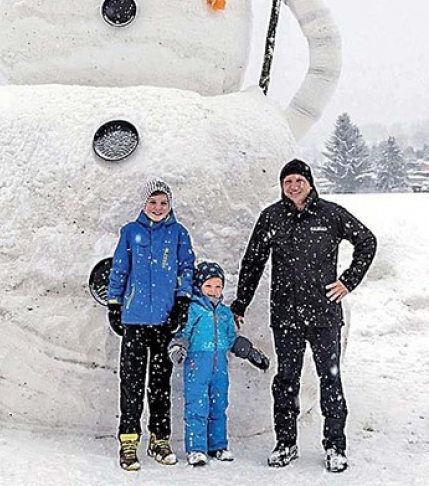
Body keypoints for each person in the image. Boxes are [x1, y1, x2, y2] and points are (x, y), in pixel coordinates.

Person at [230, 159, 377, 474]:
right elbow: (253, 261)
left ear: (309, 182)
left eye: (299, 180)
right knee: (285, 380)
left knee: (330, 378)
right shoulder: (272, 217)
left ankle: (335, 446)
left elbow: (367, 242)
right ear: (282, 186)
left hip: (324, 315)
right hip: (286, 315)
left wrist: (348, 281)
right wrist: (241, 302)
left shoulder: (331, 214)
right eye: (288, 182)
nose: (293, 186)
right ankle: (286, 443)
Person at [106, 178, 195, 471]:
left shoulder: (178, 234)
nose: (158, 208)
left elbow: (186, 269)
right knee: (131, 382)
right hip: (134, 320)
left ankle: (160, 438)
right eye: (153, 202)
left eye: (163, 203)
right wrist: (115, 303)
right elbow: (120, 268)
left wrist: (182, 302)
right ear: (144, 204)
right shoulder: (131, 233)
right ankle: (129, 439)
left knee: (159, 384)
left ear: (170, 205)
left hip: (163, 321)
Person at [168, 261, 237, 467]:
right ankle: (196, 449)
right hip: (197, 365)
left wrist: (249, 351)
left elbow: (232, 337)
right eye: (208, 286)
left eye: (218, 286)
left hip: (220, 367)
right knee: (197, 405)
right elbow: (183, 332)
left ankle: (218, 445)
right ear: (199, 287)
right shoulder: (193, 310)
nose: (213, 291)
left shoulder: (225, 313)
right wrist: (178, 346)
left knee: (219, 405)